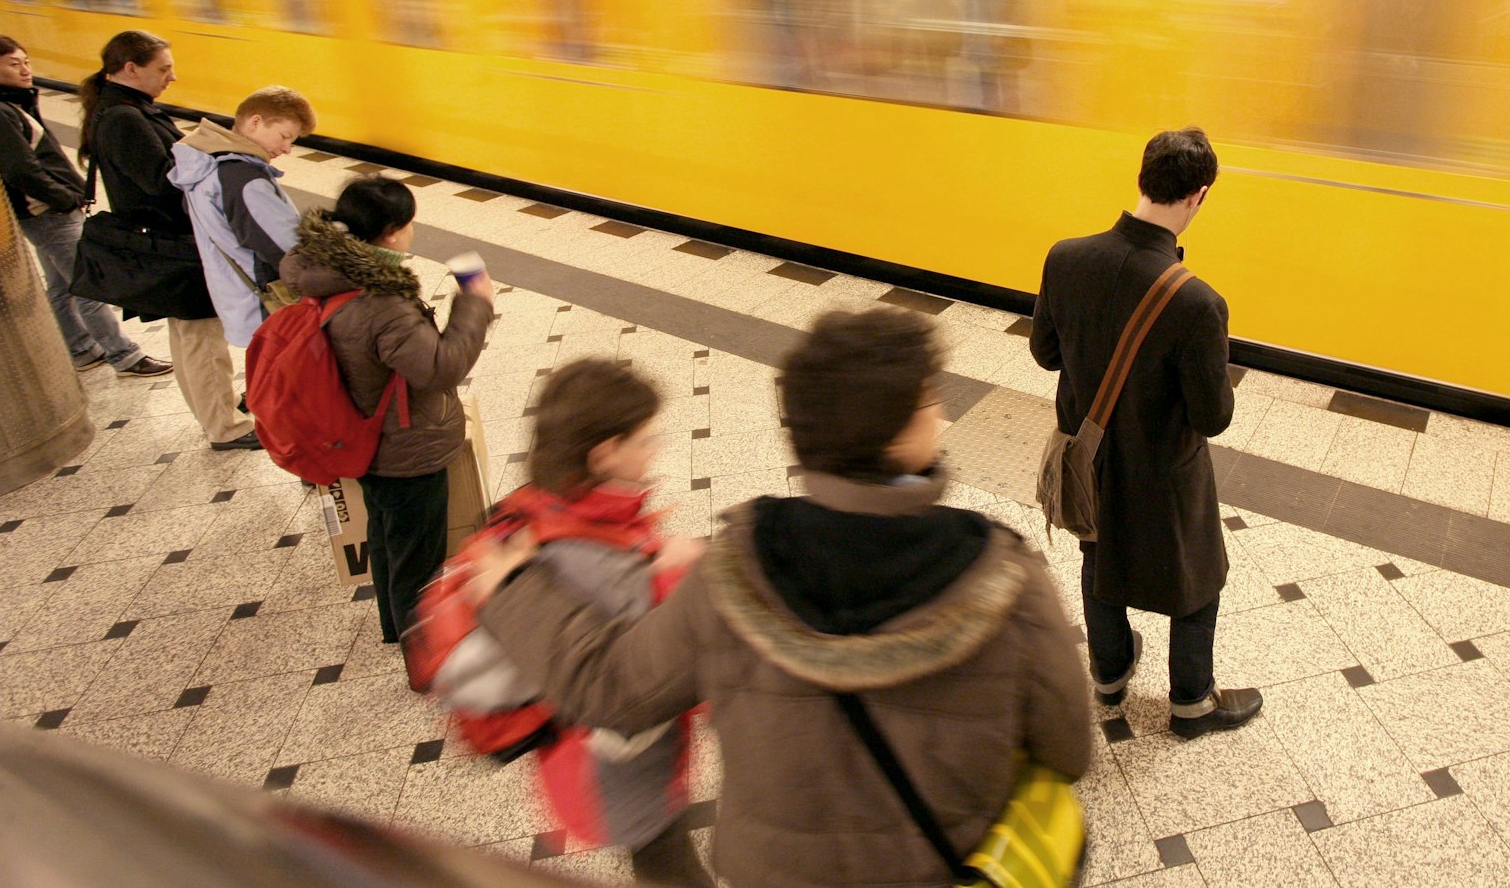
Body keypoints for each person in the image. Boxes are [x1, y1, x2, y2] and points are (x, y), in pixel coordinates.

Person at [464, 307, 1092, 888]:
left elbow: (613, 690)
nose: (943, 414)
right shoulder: (1008, 579)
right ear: (896, 437)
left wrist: (515, 589)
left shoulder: (733, 571)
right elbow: (1067, 750)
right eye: (930, 400)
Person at [1030, 126, 1256, 740]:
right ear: (1199, 196)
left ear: (1143, 178)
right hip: (1165, 472)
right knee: (1197, 573)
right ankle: (1191, 702)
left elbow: (1046, 353)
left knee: (1097, 553)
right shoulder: (1197, 303)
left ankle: (1108, 671)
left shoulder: (1065, 257)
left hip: (1089, 454)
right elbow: (1212, 418)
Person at [474, 358, 711, 886]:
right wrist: (673, 581)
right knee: (667, 863)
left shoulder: (540, 509)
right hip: (623, 773)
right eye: (646, 440)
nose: (654, 452)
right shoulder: (599, 563)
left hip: (569, 755)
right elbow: (647, 680)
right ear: (606, 453)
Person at [278, 177, 492, 656]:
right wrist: (476, 301)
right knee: (417, 553)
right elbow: (438, 368)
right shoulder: (381, 301)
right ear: (393, 233)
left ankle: (395, 626)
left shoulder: (322, 269)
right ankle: (424, 651)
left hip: (357, 433)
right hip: (403, 445)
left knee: (386, 533)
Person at [79, 30, 253, 446]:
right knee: (201, 336)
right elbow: (161, 182)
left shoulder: (125, 109)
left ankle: (217, 410)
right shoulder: (124, 118)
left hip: (168, 240)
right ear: (131, 69)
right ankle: (226, 427)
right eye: (164, 68)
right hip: (174, 243)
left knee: (190, 333)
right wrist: (203, 151)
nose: (171, 77)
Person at [0, 35, 169, 377]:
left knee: (61, 284)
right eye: (14, 65)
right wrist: (64, 198)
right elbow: (21, 169)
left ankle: (80, 349)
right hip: (47, 212)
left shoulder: (6, 103)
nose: (25, 70)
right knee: (88, 281)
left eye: (26, 61)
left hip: (43, 212)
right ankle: (125, 355)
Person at [168, 87, 314, 347]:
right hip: (268, 308)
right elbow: (287, 250)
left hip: (239, 299)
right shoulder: (243, 179)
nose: (287, 148)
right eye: (284, 136)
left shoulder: (206, 164)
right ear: (255, 122)